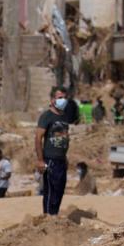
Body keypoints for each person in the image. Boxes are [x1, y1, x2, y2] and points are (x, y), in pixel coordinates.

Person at [36, 86, 72, 216]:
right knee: (50, 190)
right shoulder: (47, 116)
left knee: (60, 190)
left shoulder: (64, 117)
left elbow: (65, 138)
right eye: (60, 98)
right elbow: (38, 137)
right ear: (52, 100)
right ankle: (47, 218)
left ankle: (54, 216)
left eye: (64, 97)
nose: (63, 100)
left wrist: (65, 157)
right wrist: (40, 160)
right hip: (50, 159)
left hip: (61, 159)